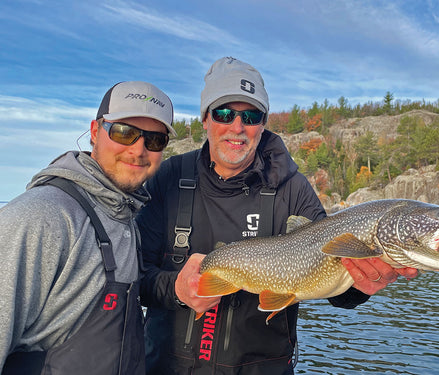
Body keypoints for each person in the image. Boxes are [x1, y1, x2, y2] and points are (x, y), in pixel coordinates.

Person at [137, 57, 418, 374]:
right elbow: (135, 277)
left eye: (251, 115)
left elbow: (336, 286)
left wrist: (363, 283)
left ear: (263, 123)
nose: (238, 127)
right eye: (224, 113)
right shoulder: (168, 178)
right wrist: (175, 290)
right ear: (205, 118)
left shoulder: (292, 188)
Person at [0, 81, 175, 374]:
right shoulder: (42, 215)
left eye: (155, 139)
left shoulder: (127, 220)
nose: (138, 149)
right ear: (95, 131)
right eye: (125, 132)